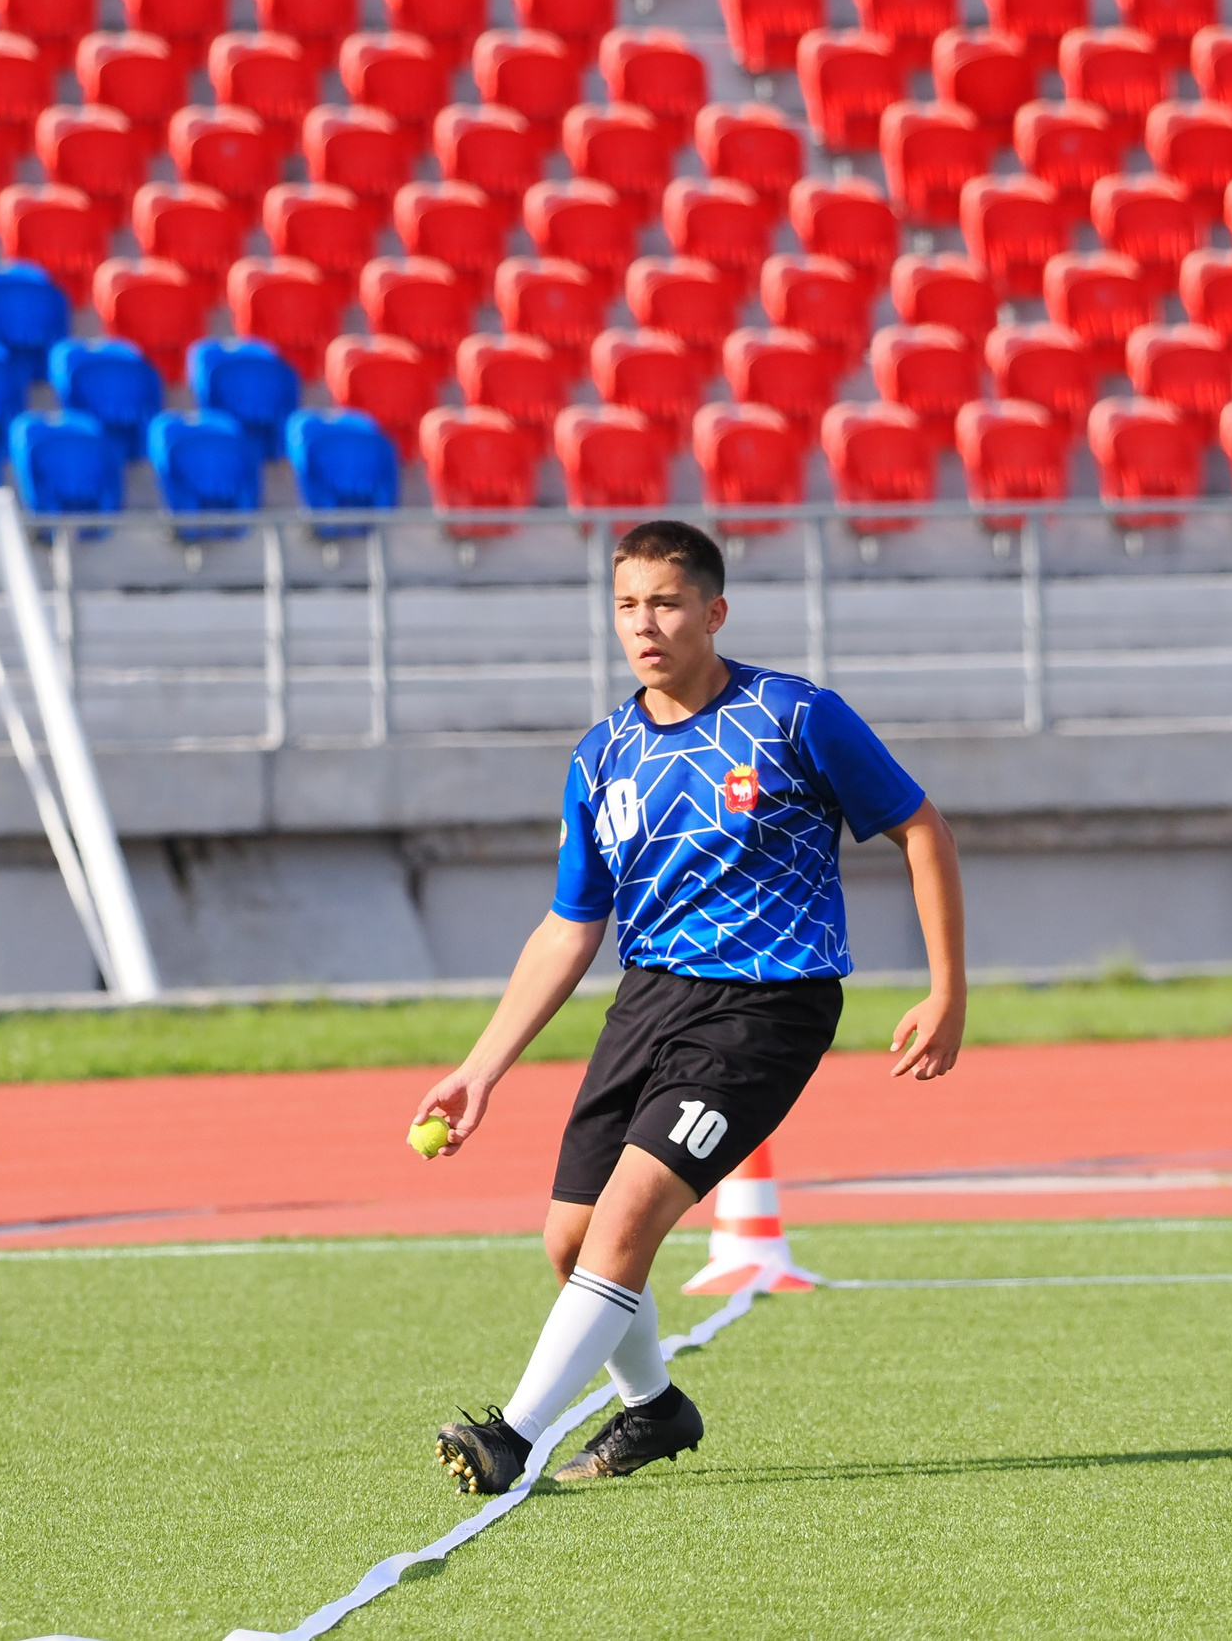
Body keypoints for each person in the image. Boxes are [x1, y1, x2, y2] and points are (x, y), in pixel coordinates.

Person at [412, 517, 967, 1496]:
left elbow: (921, 829)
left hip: (768, 1004)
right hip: (649, 1000)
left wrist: (947, 989)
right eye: (626, 604)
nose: (645, 623)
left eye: (666, 602)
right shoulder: (602, 755)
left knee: (627, 1219)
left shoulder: (794, 716)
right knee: (571, 1240)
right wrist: (479, 1069)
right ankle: (656, 1409)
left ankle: (513, 1437)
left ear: (713, 613)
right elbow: (568, 927)